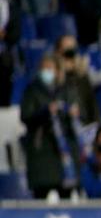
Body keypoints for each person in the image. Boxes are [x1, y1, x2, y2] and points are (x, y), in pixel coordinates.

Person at [20, 53, 80, 199]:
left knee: (66, 194)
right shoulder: (32, 90)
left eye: (49, 67)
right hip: (41, 150)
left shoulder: (66, 89)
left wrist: (73, 113)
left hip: (64, 152)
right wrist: (46, 111)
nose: (46, 71)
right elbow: (26, 117)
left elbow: (78, 113)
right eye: (43, 68)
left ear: (57, 69)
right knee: (42, 194)